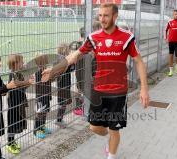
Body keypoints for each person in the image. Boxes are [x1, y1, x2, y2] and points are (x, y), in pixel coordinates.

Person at [41, 3, 149, 159]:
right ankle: (110, 139)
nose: (102, 19)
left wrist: (144, 88)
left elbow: (138, 61)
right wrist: (53, 69)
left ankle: (111, 153)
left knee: (114, 129)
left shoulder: (127, 37)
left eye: (106, 15)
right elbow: (75, 55)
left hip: (118, 93)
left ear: (115, 16)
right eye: (100, 15)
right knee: (94, 127)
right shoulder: (93, 37)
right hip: (98, 91)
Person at [6, 54, 34, 154]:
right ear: (16, 64)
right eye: (21, 61)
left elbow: (22, 88)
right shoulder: (13, 74)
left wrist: (28, 82)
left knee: (17, 121)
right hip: (14, 104)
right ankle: (10, 143)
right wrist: (27, 82)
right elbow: (17, 86)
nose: (23, 62)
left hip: (19, 102)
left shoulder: (19, 73)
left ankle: (12, 141)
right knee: (12, 123)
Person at [56, 43, 75, 128]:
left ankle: (59, 119)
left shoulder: (59, 59)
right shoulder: (64, 60)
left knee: (63, 102)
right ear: (65, 50)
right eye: (68, 49)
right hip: (64, 85)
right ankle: (59, 120)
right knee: (62, 103)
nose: (69, 51)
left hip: (63, 84)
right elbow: (71, 68)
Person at [34, 54, 52, 138]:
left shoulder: (46, 70)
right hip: (41, 97)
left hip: (47, 95)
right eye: (45, 62)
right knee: (39, 113)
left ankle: (42, 126)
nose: (46, 64)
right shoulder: (38, 72)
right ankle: (36, 130)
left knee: (45, 112)